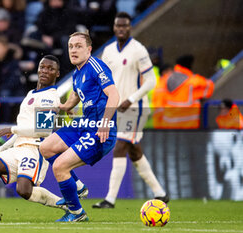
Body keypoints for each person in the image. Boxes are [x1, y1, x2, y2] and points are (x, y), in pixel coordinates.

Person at [0, 55, 69, 221]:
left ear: (57, 74)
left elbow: (42, 131)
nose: (45, 71)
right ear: (37, 69)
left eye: (50, 69)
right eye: (42, 67)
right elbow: (23, 130)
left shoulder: (50, 97)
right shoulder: (31, 93)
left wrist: (12, 128)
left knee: (24, 191)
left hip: (35, 149)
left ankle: (70, 207)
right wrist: (1, 149)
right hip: (19, 147)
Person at [39, 31, 120, 222]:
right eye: (70, 46)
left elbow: (114, 95)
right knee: (46, 147)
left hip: (100, 130)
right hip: (84, 123)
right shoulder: (78, 72)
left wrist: (105, 123)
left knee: (59, 166)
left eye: (78, 46)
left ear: (89, 49)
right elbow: (77, 93)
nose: (73, 50)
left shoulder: (95, 66)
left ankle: (76, 213)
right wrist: (65, 106)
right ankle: (78, 187)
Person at [92, 12, 168, 209]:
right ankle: (160, 193)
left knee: (120, 146)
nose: (121, 29)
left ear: (130, 28)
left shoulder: (138, 50)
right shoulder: (108, 51)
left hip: (135, 107)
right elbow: (103, 80)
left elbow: (151, 80)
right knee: (135, 152)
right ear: (114, 28)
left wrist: (131, 99)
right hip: (116, 108)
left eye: (125, 26)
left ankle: (110, 199)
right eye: (118, 26)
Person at [153, 54, 214, 129]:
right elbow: (210, 87)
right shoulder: (194, 82)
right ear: (189, 66)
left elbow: (158, 109)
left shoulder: (164, 81)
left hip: (168, 127)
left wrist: (158, 129)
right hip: (188, 129)